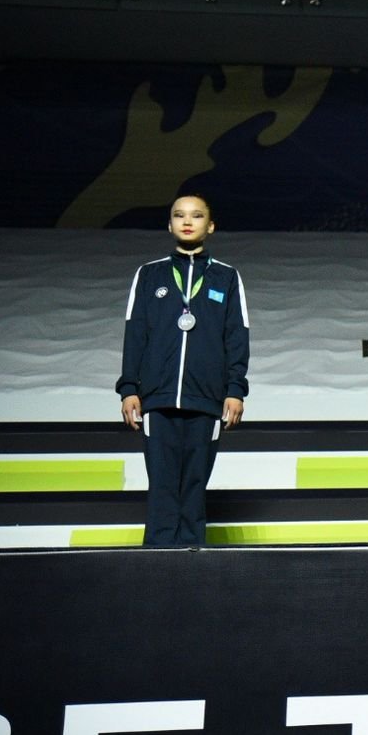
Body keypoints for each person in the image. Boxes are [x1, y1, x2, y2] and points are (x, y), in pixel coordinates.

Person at [117, 194, 250, 547]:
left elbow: (236, 337)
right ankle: (156, 565)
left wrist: (235, 389)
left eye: (196, 215)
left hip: (206, 401)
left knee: (194, 485)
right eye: (179, 215)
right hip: (157, 401)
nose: (187, 221)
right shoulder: (149, 275)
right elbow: (136, 333)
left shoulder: (226, 277)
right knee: (161, 484)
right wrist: (129, 387)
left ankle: (193, 565)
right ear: (170, 224)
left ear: (211, 226)